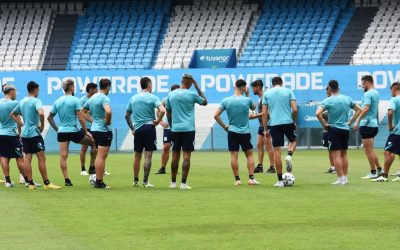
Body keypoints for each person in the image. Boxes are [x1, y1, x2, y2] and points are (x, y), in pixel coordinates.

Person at [11, 81, 61, 189]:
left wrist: (21, 124)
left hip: (25, 134)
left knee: (27, 158)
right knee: (41, 158)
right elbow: (41, 113)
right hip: (34, 133)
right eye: (38, 90)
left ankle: (31, 183)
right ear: (35, 90)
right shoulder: (36, 101)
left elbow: (12, 114)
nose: (38, 92)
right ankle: (47, 183)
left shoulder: (22, 101)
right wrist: (42, 126)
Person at [47, 79, 96, 186]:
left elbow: (49, 118)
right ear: (71, 87)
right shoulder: (75, 100)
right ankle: (92, 168)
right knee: (93, 143)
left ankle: (67, 180)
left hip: (62, 132)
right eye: (74, 85)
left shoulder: (58, 101)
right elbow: (81, 118)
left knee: (63, 156)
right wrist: (86, 131)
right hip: (73, 131)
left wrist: (57, 129)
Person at [214, 79, 260, 186]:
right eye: (246, 88)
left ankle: (237, 180)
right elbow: (253, 107)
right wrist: (248, 95)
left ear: (235, 86)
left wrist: (224, 127)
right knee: (249, 155)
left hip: (232, 131)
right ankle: (251, 179)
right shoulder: (246, 100)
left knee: (234, 156)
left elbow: (216, 115)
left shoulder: (226, 100)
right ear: (243, 87)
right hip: (245, 132)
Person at [165, 74, 208, 190]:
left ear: (181, 81)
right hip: (188, 129)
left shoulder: (171, 94)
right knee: (186, 156)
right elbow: (205, 102)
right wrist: (198, 88)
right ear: (190, 83)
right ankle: (183, 184)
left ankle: (173, 183)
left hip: (175, 128)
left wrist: (172, 125)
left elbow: (167, 112)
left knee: (174, 156)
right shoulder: (192, 94)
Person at [316, 80, 362, 185]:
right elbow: (360, 110)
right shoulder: (347, 98)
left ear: (330, 89)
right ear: (338, 88)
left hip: (334, 129)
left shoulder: (328, 101)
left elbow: (317, 113)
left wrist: (324, 124)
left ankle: (340, 179)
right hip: (345, 129)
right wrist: (350, 121)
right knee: (344, 154)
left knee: (335, 155)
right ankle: (345, 178)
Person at [125, 77, 165, 188]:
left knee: (137, 156)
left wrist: (132, 128)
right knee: (148, 155)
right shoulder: (153, 97)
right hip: (149, 127)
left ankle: (135, 180)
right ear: (149, 85)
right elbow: (162, 110)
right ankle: (146, 181)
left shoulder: (133, 98)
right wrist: (158, 120)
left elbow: (127, 115)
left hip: (137, 129)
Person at [262, 76, 297, 187]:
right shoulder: (288, 91)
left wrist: (265, 129)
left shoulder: (267, 94)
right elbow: (295, 109)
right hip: (288, 121)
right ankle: (289, 155)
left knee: (277, 151)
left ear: (272, 84)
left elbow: (264, 114)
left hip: (274, 124)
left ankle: (280, 181)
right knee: (293, 140)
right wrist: (293, 120)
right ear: (281, 83)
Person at [82, 79, 112, 189]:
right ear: (108, 87)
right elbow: (108, 111)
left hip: (94, 129)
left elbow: (83, 111)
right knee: (101, 156)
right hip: (103, 130)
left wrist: (92, 121)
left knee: (99, 155)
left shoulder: (93, 97)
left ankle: (96, 178)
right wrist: (107, 122)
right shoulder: (104, 98)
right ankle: (99, 181)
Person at [0, 84, 32, 188]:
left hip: (2, 133)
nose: (16, 93)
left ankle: (8, 181)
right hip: (12, 134)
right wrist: (20, 133)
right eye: (15, 91)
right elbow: (19, 119)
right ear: (11, 92)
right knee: (19, 158)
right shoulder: (14, 103)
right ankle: (27, 180)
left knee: (4, 157)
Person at [353, 75, 382, 179]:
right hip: (373, 124)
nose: (362, 87)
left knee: (368, 150)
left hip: (367, 125)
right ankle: (379, 169)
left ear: (366, 82)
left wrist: (357, 121)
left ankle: (373, 172)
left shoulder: (368, 94)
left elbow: (365, 109)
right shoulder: (376, 92)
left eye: (363, 84)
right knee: (371, 149)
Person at [373, 81, 400, 182]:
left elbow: (390, 113)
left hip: (397, 131)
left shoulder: (394, 99)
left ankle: (384, 176)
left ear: (393, 89)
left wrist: (390, 126)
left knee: (387, 152)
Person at [249, 80, 275, 174]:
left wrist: (255, 116)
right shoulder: (260, 98)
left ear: (259, 87)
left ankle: (272, 167)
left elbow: (267, 113)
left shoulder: (265, 97)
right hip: (261, 125)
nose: (253, 90)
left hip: (267, 125)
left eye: (254, 88)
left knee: (268, 145)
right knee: (259, 145)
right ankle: (260, 166)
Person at [155, 84, 180, 175]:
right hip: (168, 128)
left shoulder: (182, 99)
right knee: (166, 147)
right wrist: (160, 121)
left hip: (178, 128)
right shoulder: (166, 100)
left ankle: (175, 168)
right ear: (172, 91)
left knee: (176, 149)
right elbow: (158, 111)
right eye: (176, 91)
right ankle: (163, 168)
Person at [79, 82, 98, 176]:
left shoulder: (96, 99)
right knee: (84, 147)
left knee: (96, 147)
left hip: (95, 127)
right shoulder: (83, 100)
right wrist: (91, 121)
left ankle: (93, 167)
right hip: (86, 127)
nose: (97, 91)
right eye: (96, 89)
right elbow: (82, 113)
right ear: (91, 90)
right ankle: (83, 169)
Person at [322, 86, 335, 174]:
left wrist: (324, 114)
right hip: (326, 129)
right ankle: (333, 167)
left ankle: (337, 167)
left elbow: (326, 114)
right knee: (329, 149)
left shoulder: (335, 101)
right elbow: (323, 114)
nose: (328, 94)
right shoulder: (326, 102)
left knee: (335, 149)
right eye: (327, 93)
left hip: (334, 129)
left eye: (329, 92)